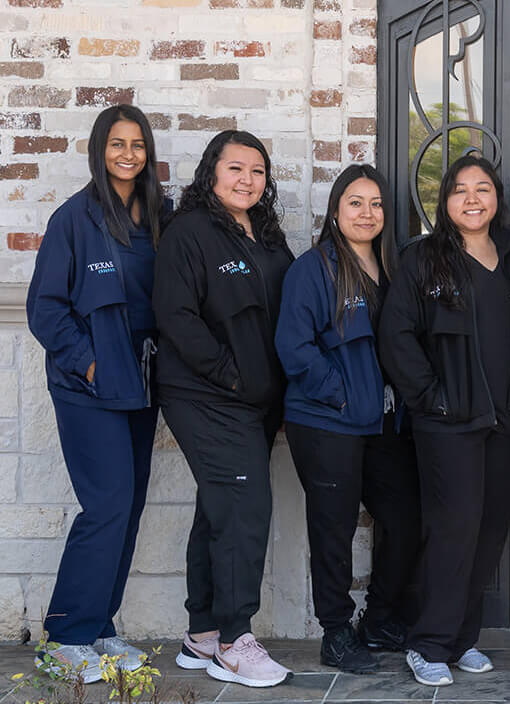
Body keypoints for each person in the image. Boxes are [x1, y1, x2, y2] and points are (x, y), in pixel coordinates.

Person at [378, 155, 510, 687]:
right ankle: (427, 642)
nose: (473, 199)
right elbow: (396, 336)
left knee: (489, 529)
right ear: (444, 203)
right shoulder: (424, 259)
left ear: (497, 198)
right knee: (453, 528)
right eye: (460, 190)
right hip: (449, 421)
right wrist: (431, 398)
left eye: (483, 188)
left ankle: (462, 638)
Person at [26, 104, 169, 682]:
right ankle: (65, 635)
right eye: (117, 143)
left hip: (140, 383)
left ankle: (99, 627)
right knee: (106, 503)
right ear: (98, 149)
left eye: (137, 144)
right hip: (88, 387)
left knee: (128, 506)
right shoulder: (74, 219)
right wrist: (87, 365)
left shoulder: (159, 217)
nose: (128, 154)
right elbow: (45, 308)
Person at [153, 130, 295, 688]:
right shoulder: (189, 233)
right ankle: (236, 643)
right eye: (235, 168)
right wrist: (231, 377)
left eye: (257, 171)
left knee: (219, 507)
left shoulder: (266, 236)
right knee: (245, 506)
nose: (247, 180)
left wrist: (274, 391)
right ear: (212, 172)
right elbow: (177, 316)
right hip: (208, 395)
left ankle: (203, 632)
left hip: (255, 400)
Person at [274, 165, 422, 674]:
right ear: (335, 210)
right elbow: (293, 349)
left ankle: (378, 621)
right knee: (333, 530)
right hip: (327, 422)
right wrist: (342, 394)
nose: (367, 213)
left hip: (382, 425)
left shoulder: (393, 268)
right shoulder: (312, 270)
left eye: (376, 203)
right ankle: (335, 634)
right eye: (355, 202)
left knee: (404, 518)